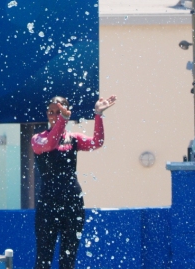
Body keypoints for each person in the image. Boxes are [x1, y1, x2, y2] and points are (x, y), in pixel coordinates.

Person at [31, 94, 117, 269]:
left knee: (68, 260)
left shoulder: (74, 138)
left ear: (67, 111)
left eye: (59, 111)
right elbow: (51, 144)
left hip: (72, 201)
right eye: (51, 112)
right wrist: (63, 119)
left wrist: (98, 114)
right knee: (43, 259)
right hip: (49, 203)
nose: (54, 115)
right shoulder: (38, 138)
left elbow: (96, 142)